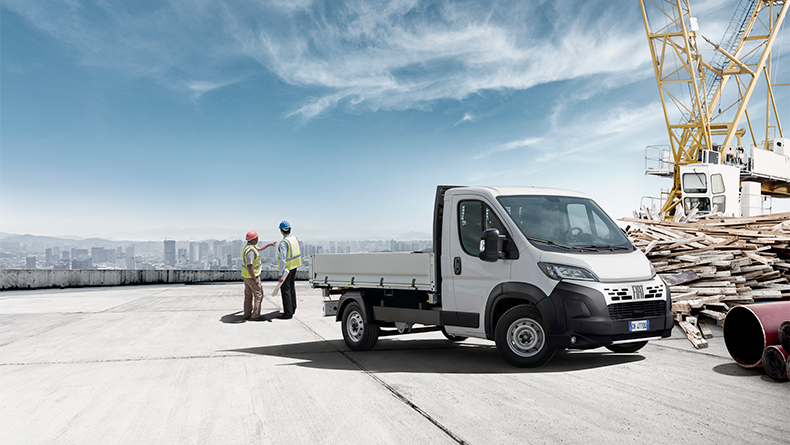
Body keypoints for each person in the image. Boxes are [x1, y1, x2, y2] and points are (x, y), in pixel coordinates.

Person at [241, 230, 275, 320]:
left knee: (248, 295)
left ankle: (247, 314)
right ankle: (255, 315)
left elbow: (259, 248)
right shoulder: (251, 251)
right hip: (251, 276)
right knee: (258, 294)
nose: (258, 240)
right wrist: (254, 278)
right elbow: (249, 265)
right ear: (253, 240)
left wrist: (269, 244)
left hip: (246, 275)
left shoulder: (249, 247)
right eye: (257, 238)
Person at [276, 220, 301, 319]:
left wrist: (280, 273)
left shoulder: (284, 243)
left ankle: (288, 313)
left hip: (287, 269)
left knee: (285, 289)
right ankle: (293, 308)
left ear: (281, 231)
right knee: (291, 287)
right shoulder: (294, 239)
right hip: (294, 267)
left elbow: (283, 259)